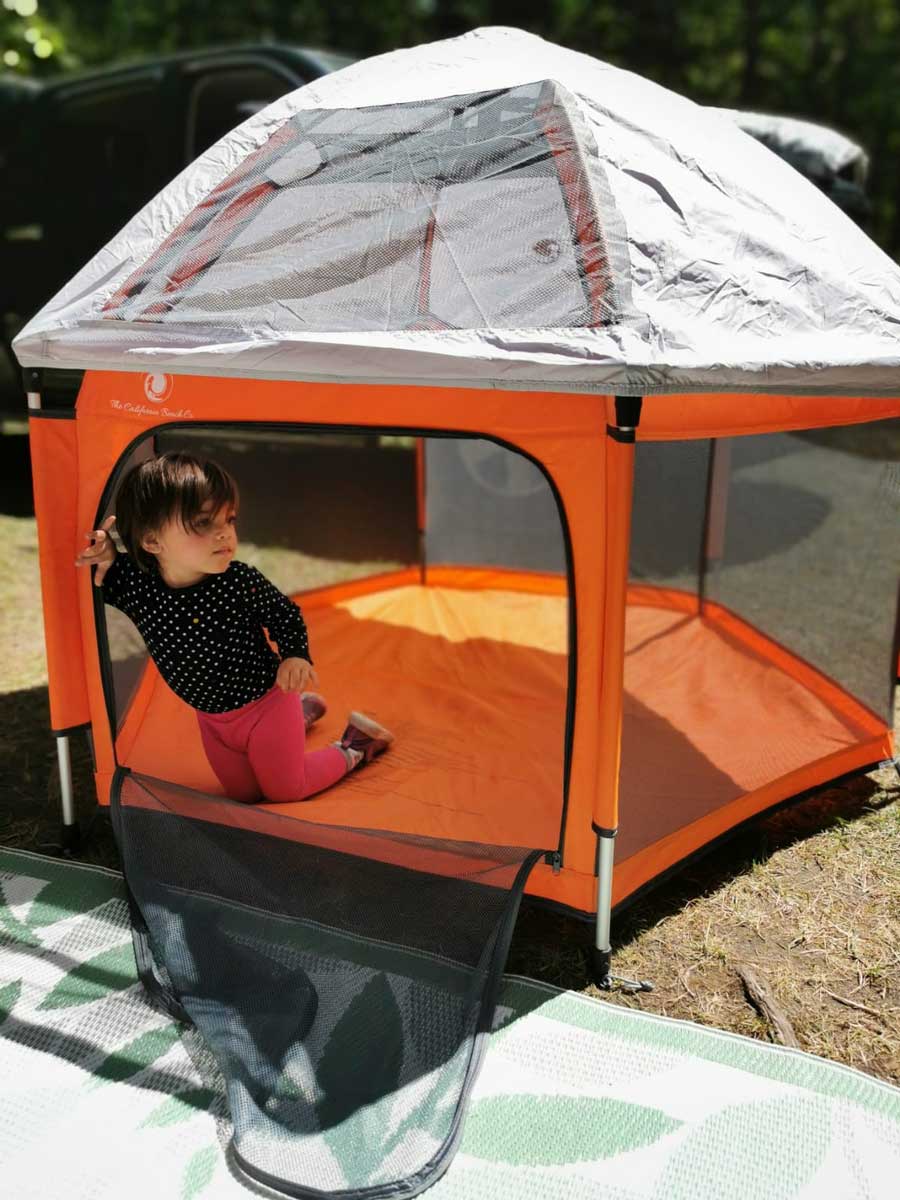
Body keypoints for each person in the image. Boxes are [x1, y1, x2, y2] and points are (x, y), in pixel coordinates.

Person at [75, 451, 394, 804]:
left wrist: (294, 654)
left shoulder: (237, 581)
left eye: (229, 520)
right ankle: (302, 717)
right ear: (152, 542)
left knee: (285, 790)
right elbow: (101, 572)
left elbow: (283, 613)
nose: (224, 534)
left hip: (267, 704)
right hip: (212, 720)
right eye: (202, 523)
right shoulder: (139, 587)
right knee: (243, 794)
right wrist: (105, 554)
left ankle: (355, 746)